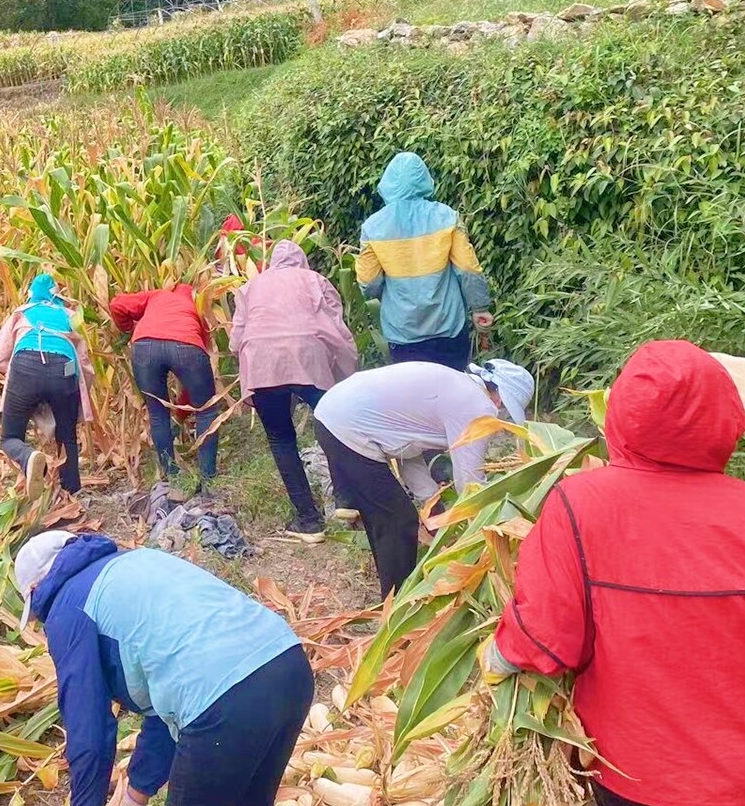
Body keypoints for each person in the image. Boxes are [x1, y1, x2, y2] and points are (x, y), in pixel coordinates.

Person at [486, 342, 745, 806]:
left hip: (635, 775)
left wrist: (500, 654)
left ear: (621, 413)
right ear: (724, 421)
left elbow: (548, 637)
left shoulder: (578, 503)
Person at [16, 530, 312, 806]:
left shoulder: (67, 609)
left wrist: (84, 805)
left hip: (223, 698)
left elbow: (88, 726)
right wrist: (134, 799)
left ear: (34, 589)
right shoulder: (136, 562)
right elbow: (167, 706)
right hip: (288, 664)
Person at [312, 358, 534, 597]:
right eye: (506, 409)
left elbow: (406, 445)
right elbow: (470, 485)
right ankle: (398, 602)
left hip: (332, 414)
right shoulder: (478, 408)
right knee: (397, 520)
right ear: (499, 397)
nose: (502, 416)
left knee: (384, 516)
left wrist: (431, 501)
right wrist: (492, 530)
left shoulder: (459, 387)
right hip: (346, 427)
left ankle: (393, 593)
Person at [229, 240, 358, 539]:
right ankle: (347, 502)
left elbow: (236, 340)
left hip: (261, 362)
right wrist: (348, 374)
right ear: (302, 261)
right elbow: (337, 328)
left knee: (281, 438)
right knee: (333, 426)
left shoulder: (250, 287)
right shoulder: (315, 280)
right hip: (308, 356)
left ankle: (308, 521)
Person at [355, 152, 492, 370]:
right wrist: (480, 307)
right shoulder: (446, 217)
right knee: (452, 387)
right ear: (424, 180)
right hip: (448, 329)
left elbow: (369, 284)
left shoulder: (373, 227)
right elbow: (468, 269)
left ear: (387, 183)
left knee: (413, 391)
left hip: (402, 333)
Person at [0, 274, 98, 497]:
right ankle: (71, 494)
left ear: (32, 295)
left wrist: (21, 375)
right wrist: (77, 394)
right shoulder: (70, 316)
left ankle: (30, 458)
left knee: (10, 438)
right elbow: (84, 365)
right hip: (64, 370)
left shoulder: (21, 313)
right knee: (67, 437)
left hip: (25, 366)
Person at [108, 281, 219, 492]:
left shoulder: (156, 295)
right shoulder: (198, 310)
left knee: (158, 414)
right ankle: (208, 482)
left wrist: (127, 329)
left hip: (144, 346)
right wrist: (182, 413)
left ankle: (172, 479)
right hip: (186, 345)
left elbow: (117, 304)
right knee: (206, 411)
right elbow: (196, 385)